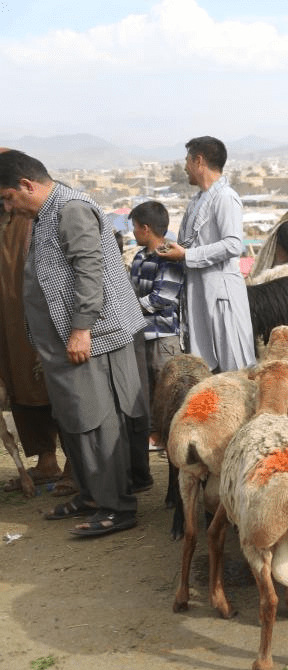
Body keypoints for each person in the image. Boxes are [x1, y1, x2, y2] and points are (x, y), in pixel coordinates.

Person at [0, 150, 147, 535]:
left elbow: (89, 270)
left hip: (91, 339)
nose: (9, 208)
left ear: (27, 186)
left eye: (9, 198)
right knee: (76, 423)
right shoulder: (46, 211)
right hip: (66, 345)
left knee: (98, 424)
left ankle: (118, 507)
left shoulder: (71, 209)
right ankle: (92, 495)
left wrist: (81, 328)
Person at [0, 171, 72, 495]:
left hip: (42, 314)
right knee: (19, 384)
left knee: (58, 385)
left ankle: (76, 466)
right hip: (9, 318)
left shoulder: (39, 213)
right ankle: (46, 462)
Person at [159, 136, 255, 372]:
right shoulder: (198, 200)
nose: (184, 167)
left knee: (234, 366)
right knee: (206, 369)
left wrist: (186, 256)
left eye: (187, 161)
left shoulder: (225, 197)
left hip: (222, 295)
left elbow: (233, 245)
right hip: (199, 292)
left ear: (198, 161)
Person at [128, 200, 184, 450]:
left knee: (167, 387)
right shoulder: (140, 258)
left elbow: (164, 297)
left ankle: (168, 434)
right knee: (148, 386)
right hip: (142, 334)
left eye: (135, 227)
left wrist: (131, 307)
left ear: (146, 228)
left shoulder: (168, 257)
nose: (133, 232)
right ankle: (153, 435)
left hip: (164, 335)